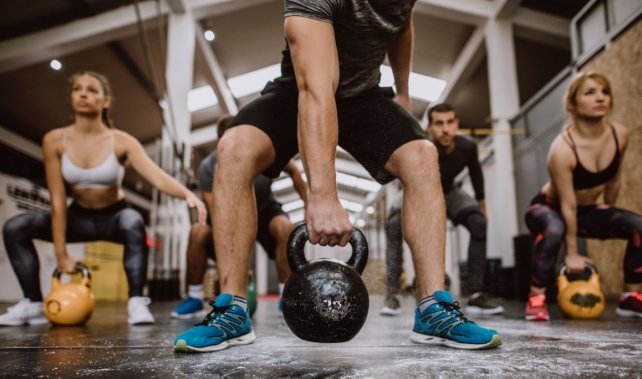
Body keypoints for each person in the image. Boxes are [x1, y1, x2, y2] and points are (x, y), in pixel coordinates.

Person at [174, 0, 501, 353]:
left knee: (422, 155)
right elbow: (315, 91)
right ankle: (232, 309)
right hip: (300, 89)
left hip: (365, 95)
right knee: (234, 149)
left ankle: (432, 308)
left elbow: (401, 23)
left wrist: (403, 88)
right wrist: (323, 195)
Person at [0, 71, 207, 326]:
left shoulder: (121, 141)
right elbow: (57, 200)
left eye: (92, 90)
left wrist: (188, 194)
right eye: (77, 89)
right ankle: (32, 303)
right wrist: (61, 253)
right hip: (79, 217)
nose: (83, 93)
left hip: (116, 217)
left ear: (105, 101)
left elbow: (156, 176)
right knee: (15, 227)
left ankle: (136, 302)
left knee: (134, 221)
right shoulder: (54, 140)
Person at [523, 71, 642, 321]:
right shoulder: (562, 148)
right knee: (555, 229)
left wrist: (609, 213)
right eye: (590, 93)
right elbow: (567, 204)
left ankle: (630, 298)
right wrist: (573, 252)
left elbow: (615, 178)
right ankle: (536, 298)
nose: (601, 98)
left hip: (585, 209)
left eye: (605, 92)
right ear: (573, 103)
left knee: (638, 226)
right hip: (549, 208)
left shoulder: (620, 134)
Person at [170, 115, 307, 319]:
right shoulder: (209, 166)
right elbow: (214, 208)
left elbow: (294, 171)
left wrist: (308, 202)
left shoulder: (264, 152)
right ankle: (194, 297)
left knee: (284, 227)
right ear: (221, 143)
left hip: (264, 209)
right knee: (198, 231)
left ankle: (285, 296)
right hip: (226, 212)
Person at [380, 103, 503, 316]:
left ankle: (475, 293)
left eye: (449, 123)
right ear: (429, 127)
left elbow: (476, 173)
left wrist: (481, 205)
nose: (445, 129)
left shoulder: (467, 147)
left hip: (450, 191)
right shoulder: (419, 145)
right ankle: (392, 294)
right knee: (393, 223)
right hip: (419, 189)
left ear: (456, 124)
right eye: (439, 123)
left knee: (478, 223)